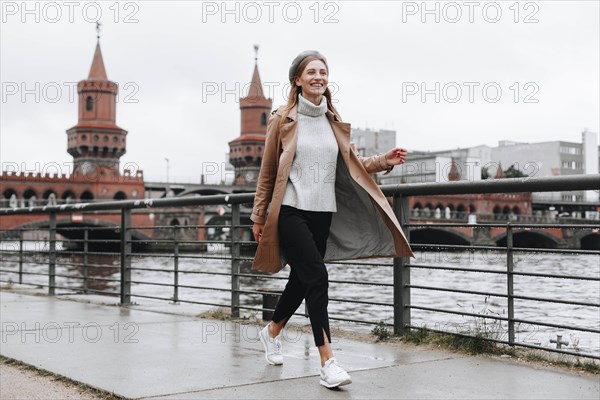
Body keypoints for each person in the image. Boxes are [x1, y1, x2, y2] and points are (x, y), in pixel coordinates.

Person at [251, 50, 414, 388]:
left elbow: (353, 163)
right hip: (291, 210)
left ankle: (272, 331)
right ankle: (328, 362)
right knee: (317, 276)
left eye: (323, 71)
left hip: (323, 212)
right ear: (297, 80)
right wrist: (258, 216)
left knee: (302, 279)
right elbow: (267, 172)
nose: (318, 77)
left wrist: (385, 160)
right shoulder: (282, 119)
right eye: (311, 71)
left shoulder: (332, 120)